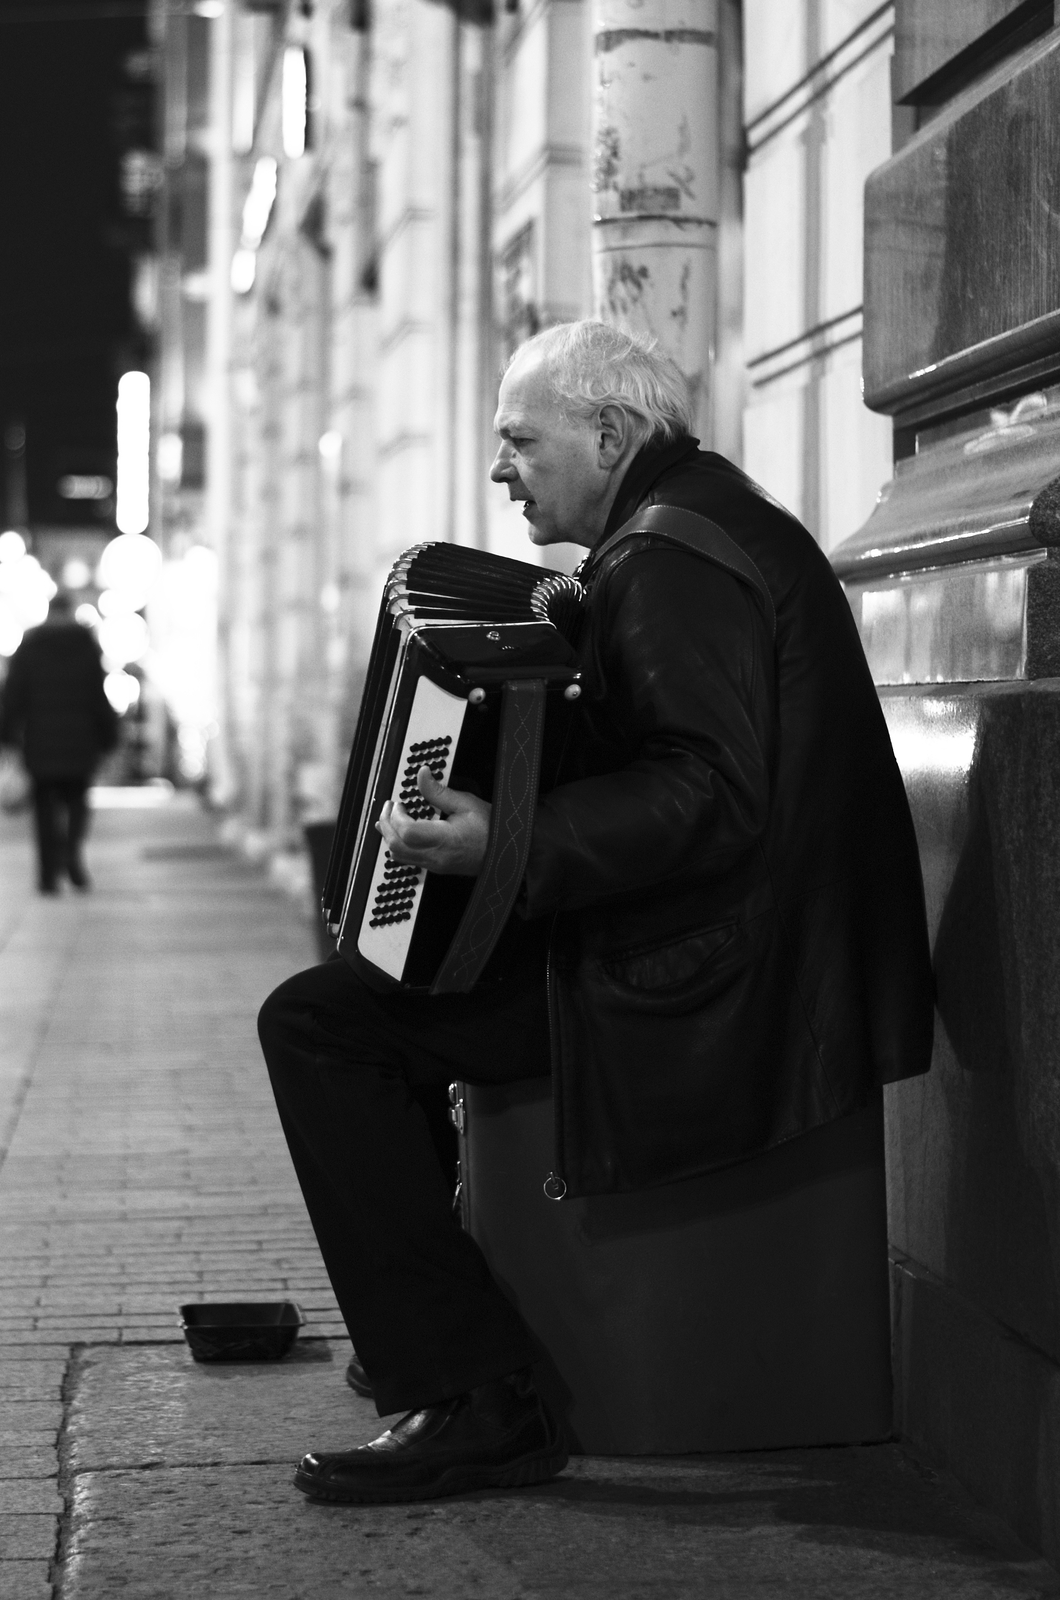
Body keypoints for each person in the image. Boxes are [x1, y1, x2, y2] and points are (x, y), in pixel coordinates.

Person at [257, 319, 935, 1504]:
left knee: (324, 1024)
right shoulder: (689, 525)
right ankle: (433, 1331)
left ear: (609, 432)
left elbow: (708, 789)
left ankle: (477, 1391)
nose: (499, 469)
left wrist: (500, 842)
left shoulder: (667, 559)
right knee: (385, 992)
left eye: (521, 439)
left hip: (716, 982)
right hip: (727, 949)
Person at [1, 593, 118, 894]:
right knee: (77, 803)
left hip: (41, 741)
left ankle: (47, 875)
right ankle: (71, 856)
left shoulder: (29, 647)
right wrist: (108, 738)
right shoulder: (86, 646)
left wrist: (7, 736)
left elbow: (13, 697)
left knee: (43, 809)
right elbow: (98, 697)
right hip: (80, 741)